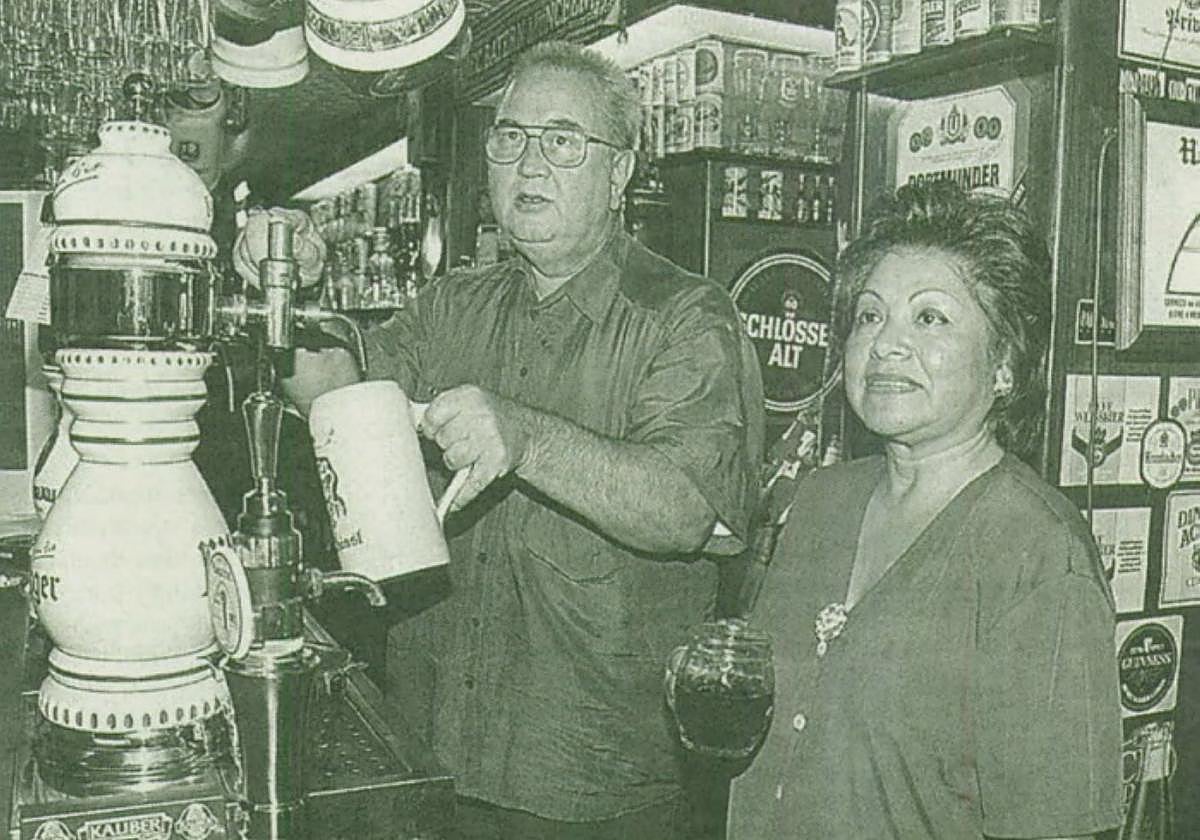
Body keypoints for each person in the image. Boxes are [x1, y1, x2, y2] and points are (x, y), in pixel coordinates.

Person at [283, 41, 764, 839]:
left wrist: (526, 438)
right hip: (435, 758)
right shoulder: (451, 306)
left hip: (595, 790)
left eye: (563, 141)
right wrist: (290, 295)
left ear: (619, 174)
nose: (529, 163)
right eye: (510, 137)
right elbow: (336, 397)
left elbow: (685, 507)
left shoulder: (684, 317)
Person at [724, 181, 1122, 840]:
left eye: (930, 317)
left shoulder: (1036, 553)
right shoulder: (820, 502)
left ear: (1005, 364)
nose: (885, 345)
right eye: (870, 316)